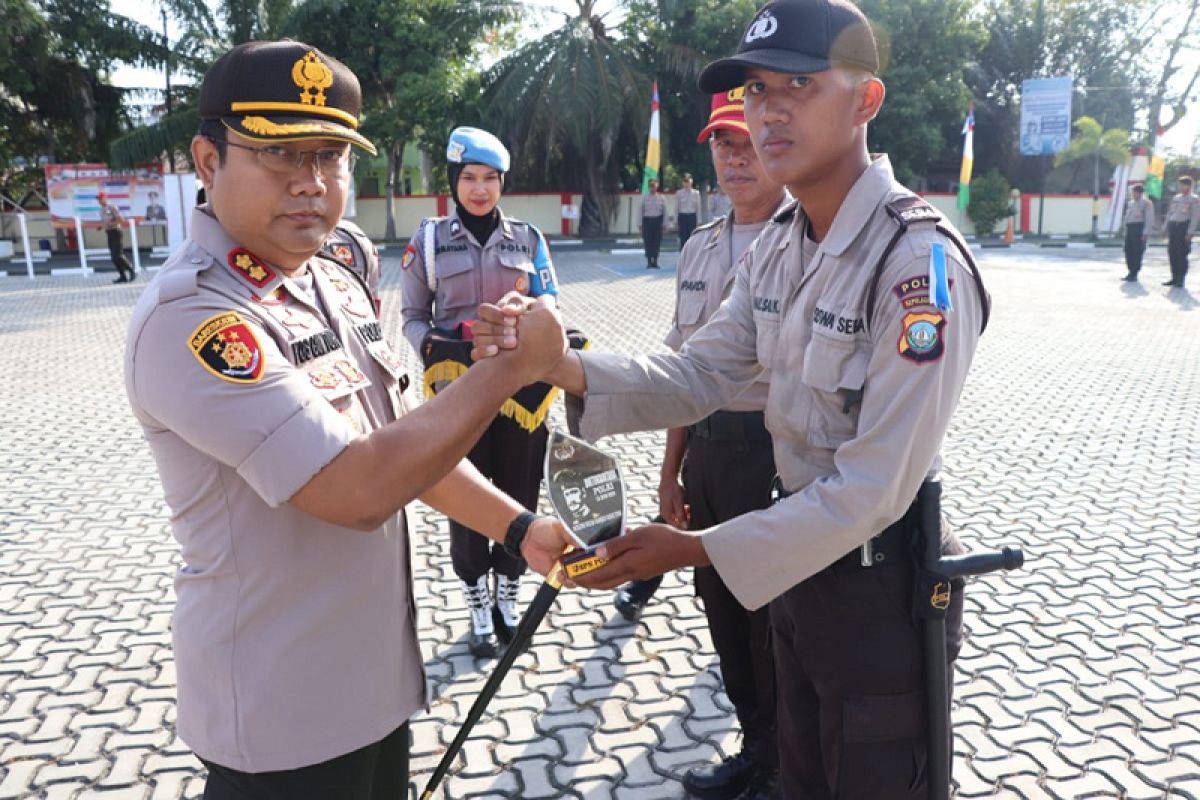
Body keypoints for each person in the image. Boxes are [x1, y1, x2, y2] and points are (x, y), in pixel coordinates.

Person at [474, 1, 990, 796]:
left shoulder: (916, 263)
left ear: (866, 101)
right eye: (754, 91)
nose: (769, 110)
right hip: (794, 575)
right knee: (796, 774)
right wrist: (563, 365)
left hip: (881, 592)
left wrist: (700, 547)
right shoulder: (782, 247)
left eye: (798, 84)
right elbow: (696, 376)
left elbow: (872, 491)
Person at [123, 41, 572, 800]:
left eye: (330, 157)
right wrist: (508, 370)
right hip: (279, 718)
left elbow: (399, 442)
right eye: (279, 156)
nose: (311, 183)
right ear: (207, 160)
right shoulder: (196, 317)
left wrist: (516, 527)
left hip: (374, 688)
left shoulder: (332, 279)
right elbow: (356, 487)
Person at [618, 87, 789, 800]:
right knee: (721, 609)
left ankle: (788, 763)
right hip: (710, 451)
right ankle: (757, 751)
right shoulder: (697, 247)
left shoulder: (807, 239)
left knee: (775, 620)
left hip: (777, 452)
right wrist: (670, 474)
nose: (735, 156)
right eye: (723, 143)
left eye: (747, 140)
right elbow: (682, 372)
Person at [400, 126, 562, 659]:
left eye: (490, 179)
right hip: (458, 393)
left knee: (518, 491)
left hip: (521, 393)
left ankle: (508, 593)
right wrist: (433, 352)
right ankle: (474, 597)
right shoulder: (428, 240)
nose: (480, 189)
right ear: (453, 181)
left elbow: (552, 302)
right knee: (469, 497)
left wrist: (535, 317)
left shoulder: (528, 239)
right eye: (469, 178)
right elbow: (412, 316)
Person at [1164, 175, 1200, 288]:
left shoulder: (1194, 199)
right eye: (1180, 184)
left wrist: (1190, 232)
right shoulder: (1176, 198)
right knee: (1172, 253)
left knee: (1181, 254)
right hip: (1173, 226)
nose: (1181, 187)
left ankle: (1181, 279)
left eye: (1183, 185)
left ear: (1189, 186)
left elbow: (1195, 217)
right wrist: (1165, 227)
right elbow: (1170, 213)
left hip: (1183, 227)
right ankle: (1174, 277)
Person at [99, 192, 136, 283]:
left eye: (101, 198)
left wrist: (111, 224)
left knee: (118, 255)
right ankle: (122, 276)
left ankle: (131, 270)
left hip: (116, 232)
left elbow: (121, 219)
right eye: (98, 199)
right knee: (113, 257)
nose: (99, 201)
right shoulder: (102, 210)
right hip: (109, 233)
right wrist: (101, 226)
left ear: (105, 198)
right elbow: (105, 221)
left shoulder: (112, 207)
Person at [1122, 184, 1154, 282]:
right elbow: (1127, 217)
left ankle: (1134, 273)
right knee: (1128, 250)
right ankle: (1130, 271)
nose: (1133, 194)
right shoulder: (1131, 203)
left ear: (1140, 193)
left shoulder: (1146, 203)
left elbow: (1149, 218)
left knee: (1137, 251)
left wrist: (1145, 233)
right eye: (1132, 192)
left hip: (1139, 228)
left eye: (1135, 192)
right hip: (1130, 228)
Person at [640, 178, 667, 268]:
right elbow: (640, 211)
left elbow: (665, 212)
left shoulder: (661, 198)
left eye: (654, 186)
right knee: (648, 241)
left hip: (658, 221)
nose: (653, 188)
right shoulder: (644, 198)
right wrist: (640, 224)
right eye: (651, 186)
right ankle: (648, 261)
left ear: (657, 186)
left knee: (657, 242)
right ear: (648, 187)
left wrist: (664, 224)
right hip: (647, 221)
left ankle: (655, 261)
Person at [676, 173, 702, 246]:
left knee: (692, 238)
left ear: (691, 182)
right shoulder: (679, 193)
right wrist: (676, 220)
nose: (687, 184)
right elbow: (677, 208)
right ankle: (683, 255)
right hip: (682, 217)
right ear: (683, 183)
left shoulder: (696, 193)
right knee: (683, 238)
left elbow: (698, 208)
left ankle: (691, 255)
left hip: (692, 217)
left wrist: (699, 221)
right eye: (685, 181)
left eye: (688, 181)